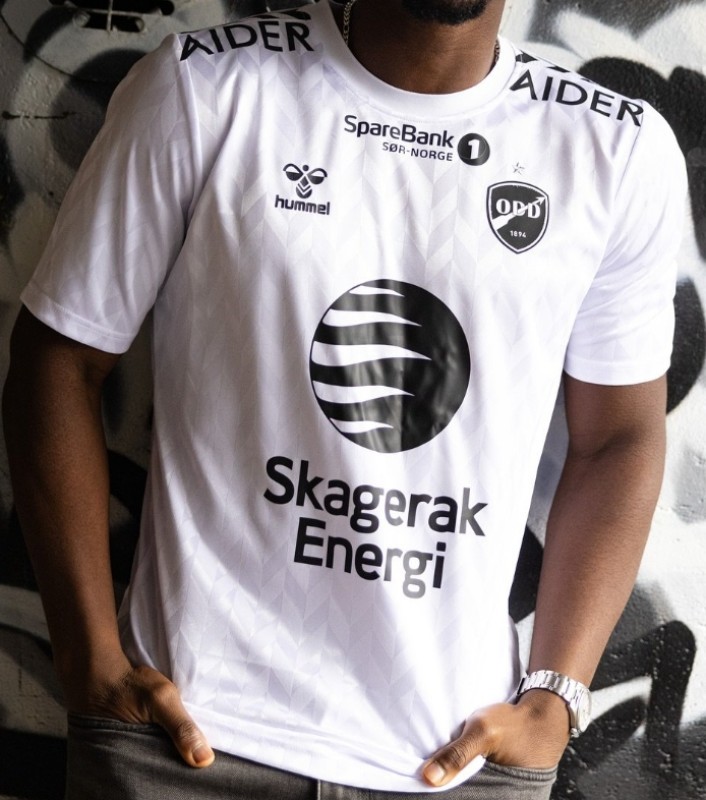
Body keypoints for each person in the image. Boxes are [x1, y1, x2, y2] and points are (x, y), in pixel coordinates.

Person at [2, 1, 686, 798]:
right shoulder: (205, 87)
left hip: (459, 765)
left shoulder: (614, 148)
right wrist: (89, 659)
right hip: (181, 745)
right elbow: (59, 358)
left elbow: (618, 439)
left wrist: (556, 697)